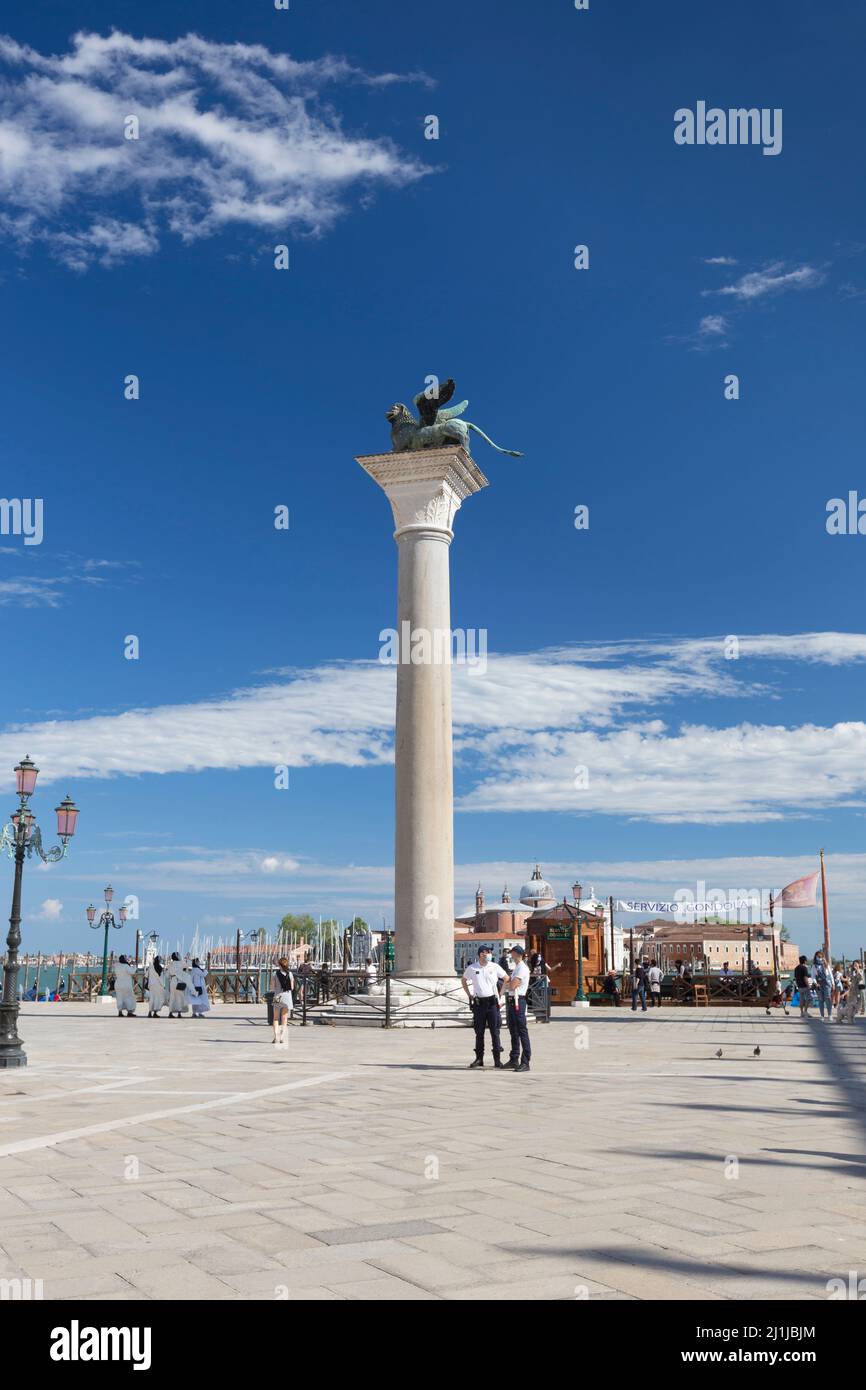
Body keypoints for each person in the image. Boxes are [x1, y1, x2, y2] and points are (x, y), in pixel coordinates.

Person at [462, 947, 506, 1069]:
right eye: (487, 952)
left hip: (492, 1002)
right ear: (481, 954)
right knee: (479, 1032)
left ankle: (497, 1060)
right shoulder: (472, 968)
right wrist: (469, 995)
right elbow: (464, 980)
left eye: (490, 953)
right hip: (479, 1004)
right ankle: (479, 1058)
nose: (489, 954)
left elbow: (506, 979)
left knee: (495, 1032)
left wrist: (501, 996)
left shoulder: (494, 966)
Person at [502, 944, 531, 1072]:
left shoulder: (522, 968)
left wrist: (505, 985)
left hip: (518, 1000)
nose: (510, 955)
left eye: (512, 953)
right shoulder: (517, 967)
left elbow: (513, 985)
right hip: (512, 1001)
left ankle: (525, 1061)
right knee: (513, 1030)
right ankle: (514, 1058)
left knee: (521, 1030)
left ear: (517, 954)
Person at [270, 957, 294, 1047]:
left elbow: (272, 987)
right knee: (284, 1019)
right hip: (287, 997)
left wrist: (276, 988)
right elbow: (292, 987)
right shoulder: (290, 974)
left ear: (279, 965)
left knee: (276, 1018)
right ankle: (282, 1038)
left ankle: (276, 1037)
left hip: (277, 996)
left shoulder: (274, 974)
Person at [167, 953, 191, 1018]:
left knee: (172, 997)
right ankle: (179, 1013)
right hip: (179, 980)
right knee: (180, 997)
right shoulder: (181, 963)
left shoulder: (170, 964)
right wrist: (187, 959)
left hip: (172, 981)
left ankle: (170, 1012)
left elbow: (167, 975)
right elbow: (188, 965)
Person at [812, 951, 834, 1021]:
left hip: (827, 983)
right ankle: (822, 1016)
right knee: (821, 1000)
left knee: (828, 999)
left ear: (823, 957)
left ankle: (830, 1015)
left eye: (820, 957)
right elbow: (813, 976)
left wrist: (833, 984)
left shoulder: (826, 965)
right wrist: (815, 983)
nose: (819, 958)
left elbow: (830, 975)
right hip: (819, 984)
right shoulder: (814, 966)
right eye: (818, 957)